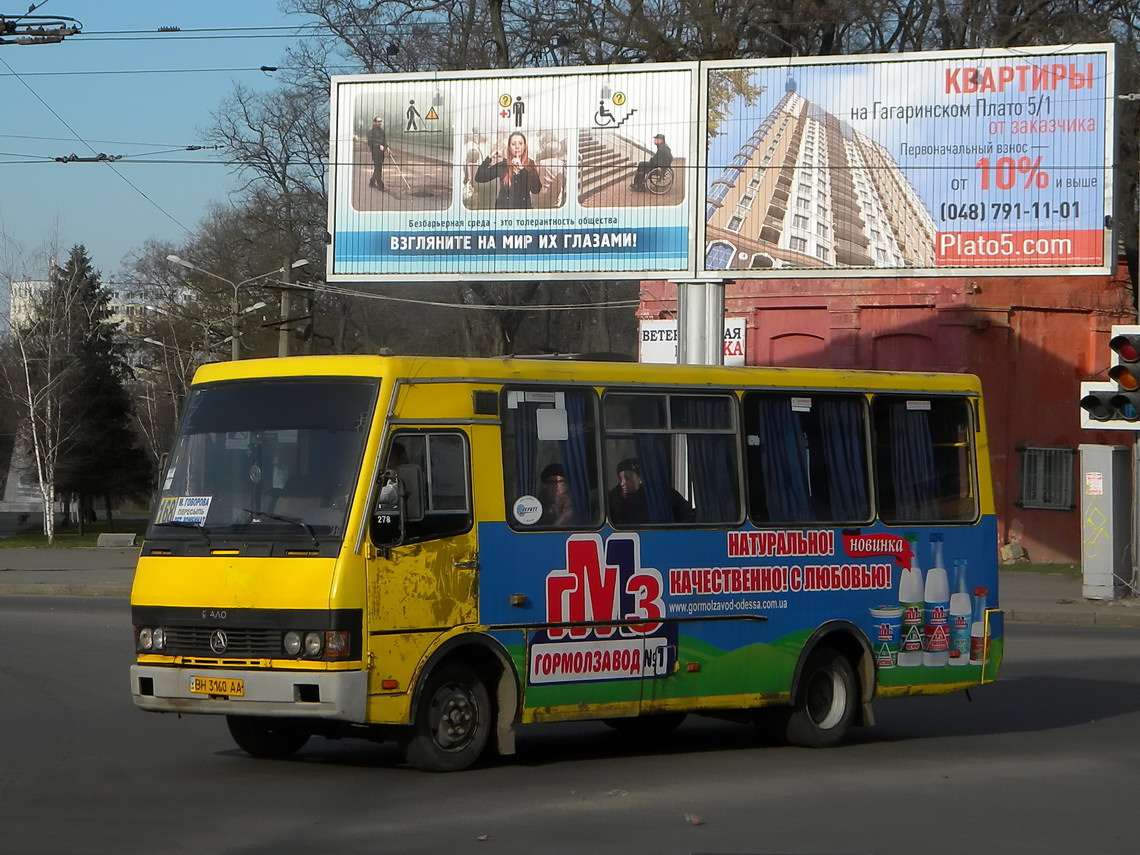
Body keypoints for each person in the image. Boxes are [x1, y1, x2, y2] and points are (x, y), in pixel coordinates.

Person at [608, 457, 691, 525]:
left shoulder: (659, 494)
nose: (622, 483)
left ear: (640, 478)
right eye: (620, 479)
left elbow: (686, 514)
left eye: (627, 478)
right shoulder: (614, 498)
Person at [474, 131, 543, 209]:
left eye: (520, 144)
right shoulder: (503, 165)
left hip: (523, 211)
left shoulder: (530, 163)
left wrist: (522, 168)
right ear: (509, 148)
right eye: (513, 144)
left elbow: (536, 189)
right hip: (503, 210)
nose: (517, 147)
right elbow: (479, 177)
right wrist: (489, 157)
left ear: (524, 147)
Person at [367, 116, 388, 191]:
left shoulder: (382, 131)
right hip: (375, 152)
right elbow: (370, 142)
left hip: (381, 152)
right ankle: (380, 184)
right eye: (378, 122)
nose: (380, 123)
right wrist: (379, 146)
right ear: (374, 122)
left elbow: (384, 139)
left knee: (379, 168)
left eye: (380, 121)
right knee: (378, 167)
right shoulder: (371, 131)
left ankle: (372, 181)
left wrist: (386, 147)